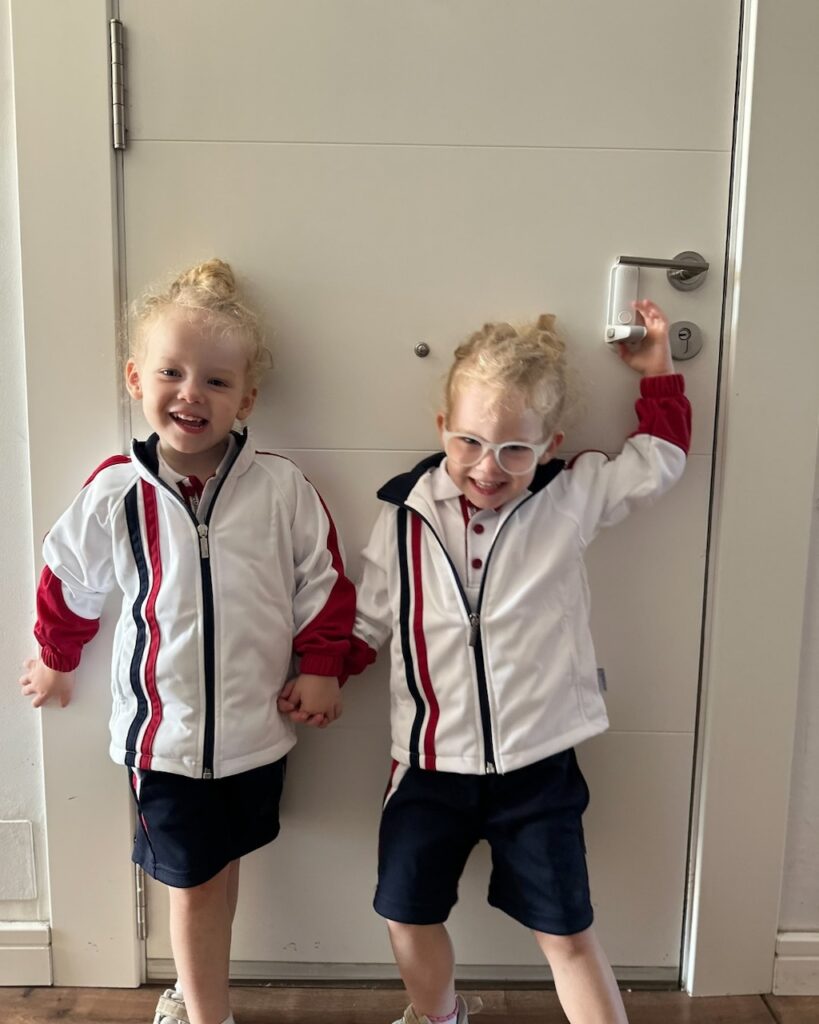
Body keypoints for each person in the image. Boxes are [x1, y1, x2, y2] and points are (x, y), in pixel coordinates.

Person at [20, 259, 355, 1024]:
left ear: (247, 397)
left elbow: (323, 583)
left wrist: (326, 667)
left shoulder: (281, 490)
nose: (190, 394)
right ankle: (208, 1014)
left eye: (215, 380)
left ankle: (190, 988)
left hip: (254, 733)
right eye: (171, 372)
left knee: (217, 871)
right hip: (161, 742)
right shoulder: (116, 492)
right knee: (195, 882)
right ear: (137, 378)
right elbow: (69, 576)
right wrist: (56, 657)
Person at [340, 301, 690, 1024]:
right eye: (468, 442)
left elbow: (656, 461)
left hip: (538, 767)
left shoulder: (568, 496)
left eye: (513, 451)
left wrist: (658, 374)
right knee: (404, 912)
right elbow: (371, 613)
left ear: (549, 444)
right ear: (441, 429)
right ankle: (437, 1016)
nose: (487, 468)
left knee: (566, 930)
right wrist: (323, 669)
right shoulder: (405, 512)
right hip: (427, 766)